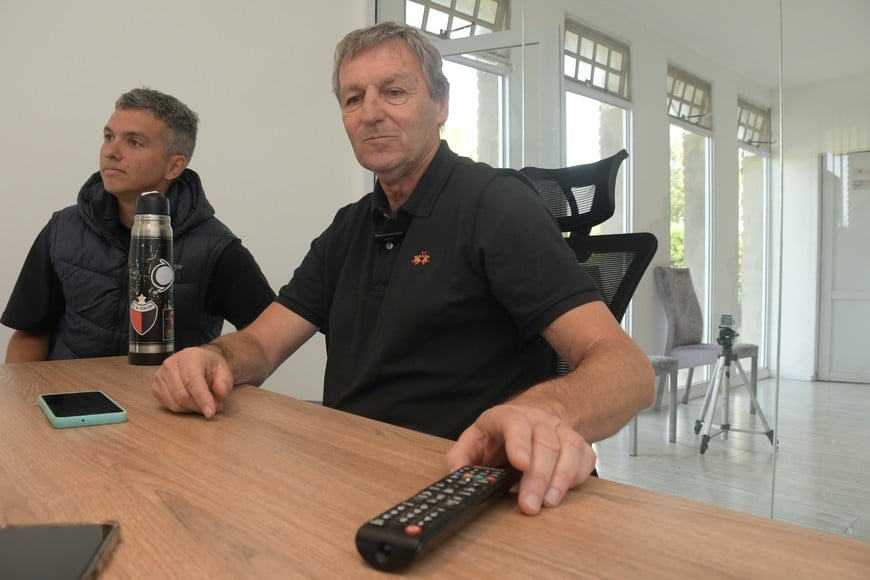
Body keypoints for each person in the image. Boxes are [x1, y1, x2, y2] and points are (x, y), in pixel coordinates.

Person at [151, 22, 654, 515]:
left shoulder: (495, 205)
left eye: (393, 91)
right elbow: (260, 344)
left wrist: (544, 411)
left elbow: (628, 370)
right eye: (353, 99)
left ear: (441, 104)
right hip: (353, 479)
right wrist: (214, 358)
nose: (370, 113)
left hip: (465, 494)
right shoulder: (347, 228)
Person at [1, 88, 275, 362]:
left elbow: (265, 339)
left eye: (134, 142)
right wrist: (23, 400)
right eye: (109, 137)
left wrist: (214, 366)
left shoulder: (216, 247)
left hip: (162, 402)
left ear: (174, 166)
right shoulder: (62, 230)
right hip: (68, 399)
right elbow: (30, 333)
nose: (111, 151)